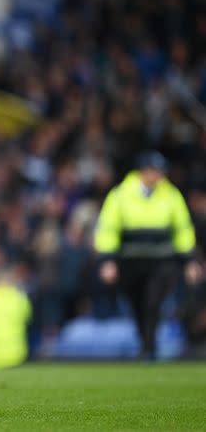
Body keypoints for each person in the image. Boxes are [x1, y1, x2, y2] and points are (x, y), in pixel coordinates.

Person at [95, 150, 202, 359]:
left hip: (161, 261)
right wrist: (107, 260)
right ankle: (145, 342)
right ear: (142, 172)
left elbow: (182, 229)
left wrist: (189, 260)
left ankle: (149, 348)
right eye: (153, 170)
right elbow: (108, 228)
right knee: (136, 303)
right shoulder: (121, 195)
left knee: (153, 302)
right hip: (131, 262)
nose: (157, 175)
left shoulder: (171, 195)